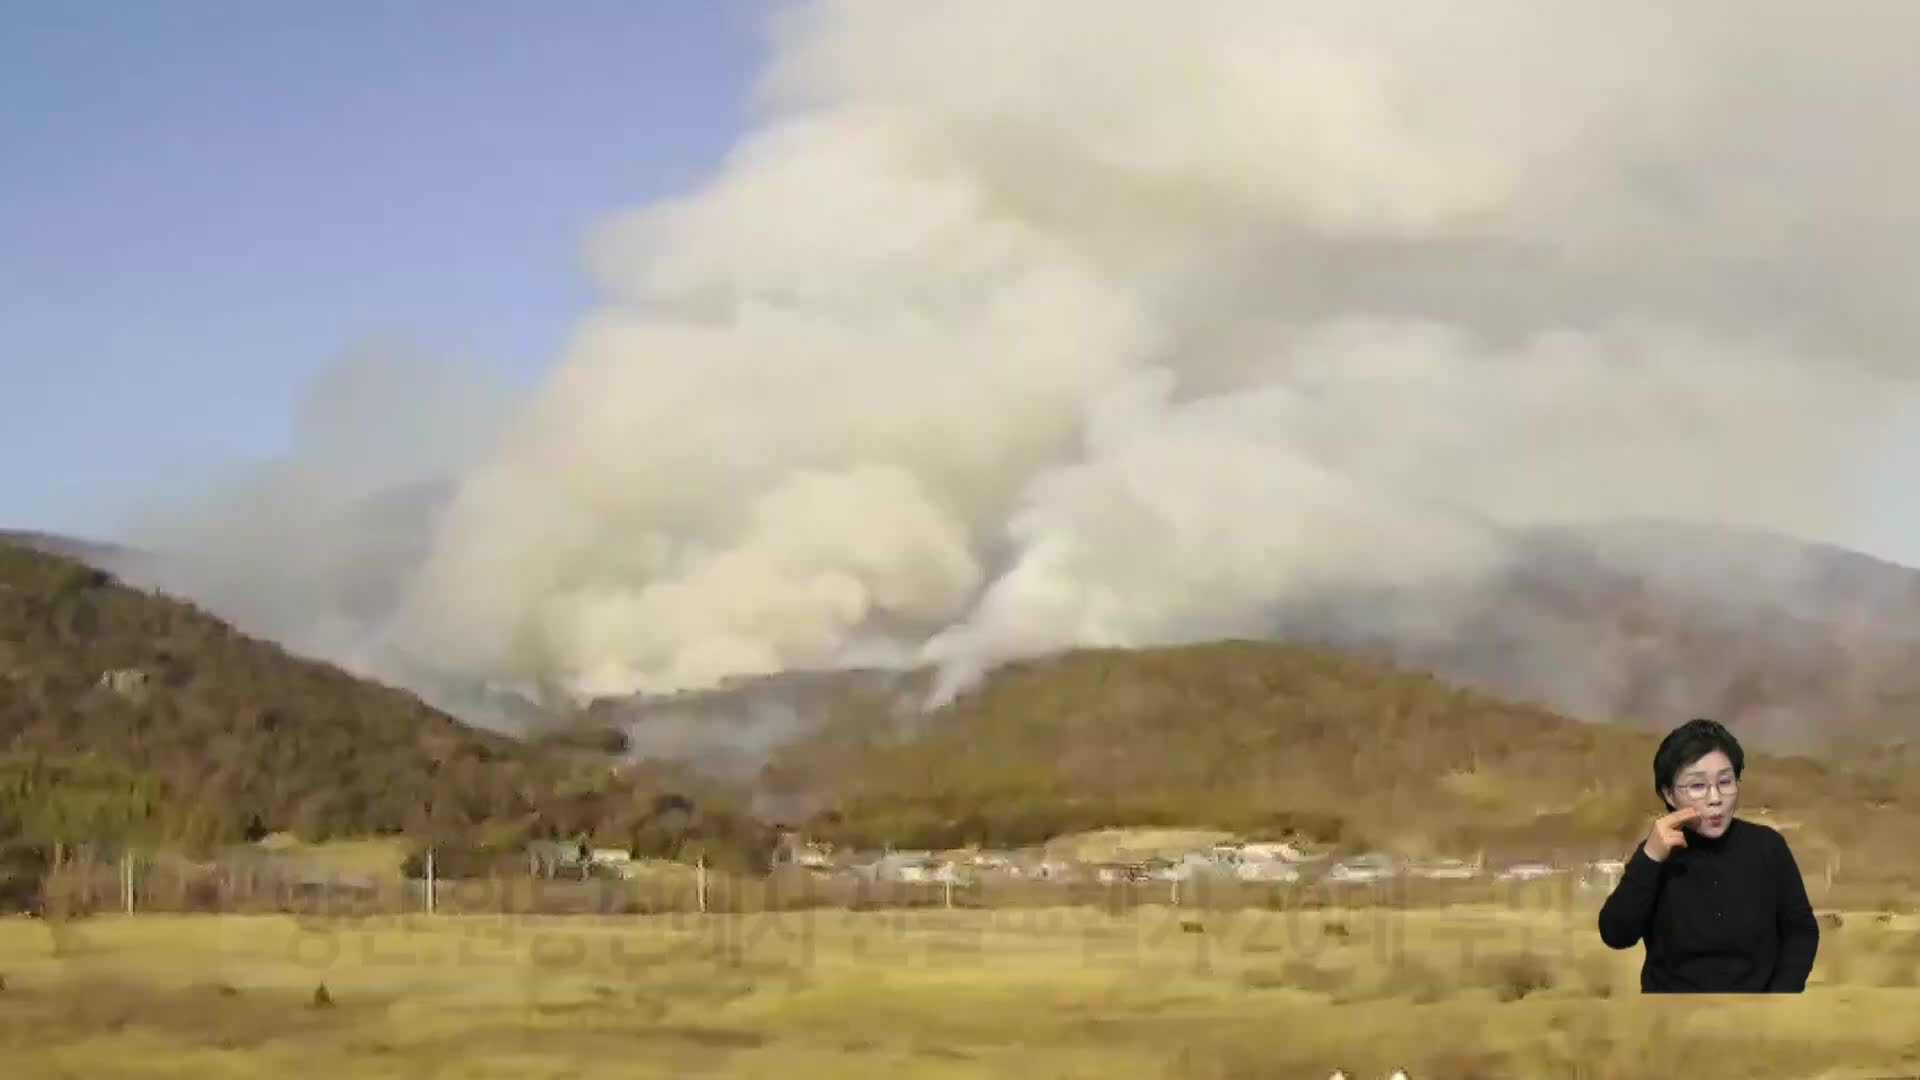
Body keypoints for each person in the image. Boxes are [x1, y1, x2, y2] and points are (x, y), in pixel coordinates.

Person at [1596, 717, 1820, 992]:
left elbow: (1801, 933)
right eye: (1698, 786)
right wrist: (1650, 858)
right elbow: (1616, 934)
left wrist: (1775, 1003)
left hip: (1755, 1020)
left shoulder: (1767, 848)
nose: (1715, 798)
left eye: (1725, 782)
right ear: (1669, 794)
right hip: (1667, 1022)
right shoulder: (1656, 854)